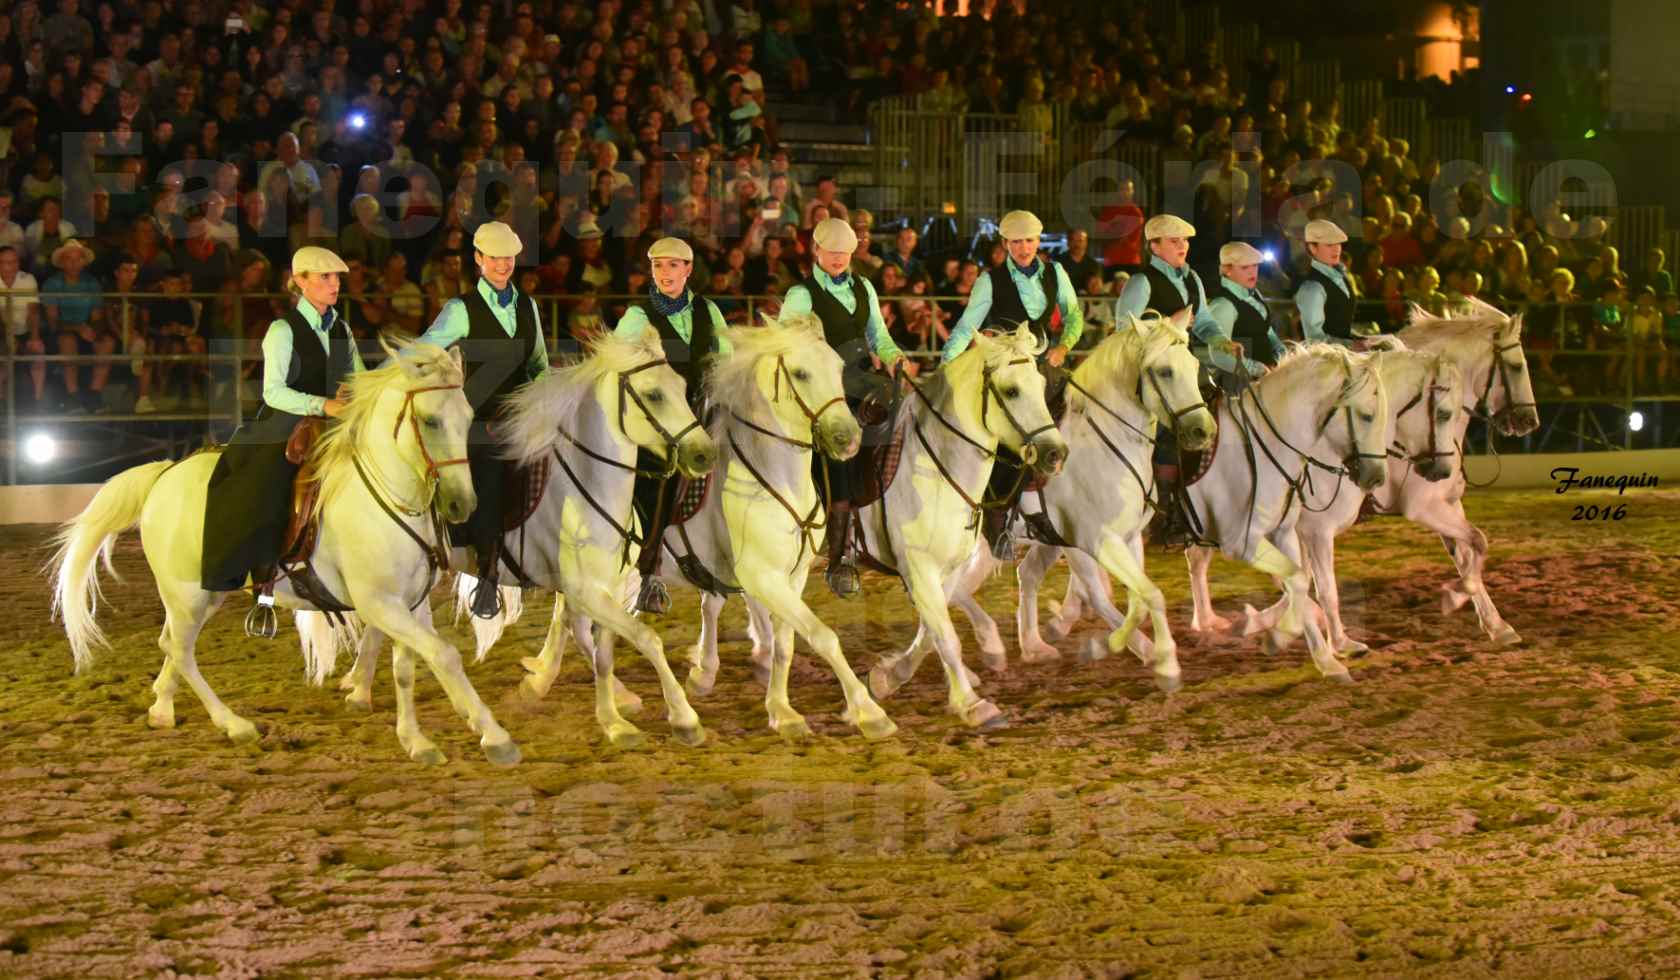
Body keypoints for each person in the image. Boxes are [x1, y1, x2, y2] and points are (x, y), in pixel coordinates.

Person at [201, 247, 364, 611]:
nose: (334, 283)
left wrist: (354, 391)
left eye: (336, 277)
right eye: (325, 277)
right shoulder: (282, 330)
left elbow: (358, 377)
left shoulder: (342, 329)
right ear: (301, 282)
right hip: (287, 422)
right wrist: (322, 404)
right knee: (266, 487)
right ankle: (263, 580)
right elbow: (273, 392)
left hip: (336, 423)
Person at [418, 221, 549, 619]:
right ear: (478, 260)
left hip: (524, 414)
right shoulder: (460, 310)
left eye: (508, 257)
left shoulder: (528, 306)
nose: (503, 264)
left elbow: (539, 363)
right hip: (480, 418)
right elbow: (423, 350)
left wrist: (548, 402)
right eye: (494, 257)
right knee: (489, 471)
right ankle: (489, 573)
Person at [942, 210, 1085, 559]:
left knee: (1077, 410)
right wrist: (945, 366)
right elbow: (965, 327)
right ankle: (1001, 513)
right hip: (1006, 367)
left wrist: (1064, 346)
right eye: (1017, 242)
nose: (1023, 248)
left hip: (1042, 365)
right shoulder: (990, 281)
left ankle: (1069, 498)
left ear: (1038, 242)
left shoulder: (1056, 272)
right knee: (1014, 433)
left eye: (1030, 241)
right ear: (1006, 244)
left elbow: (1074, 314)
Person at [778, 217, 906, 597]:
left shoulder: (864, 287)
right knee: (841, 454)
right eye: (832, 252)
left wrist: (895, 355)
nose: (838, 259)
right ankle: (839, 559)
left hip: (863, 378)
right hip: (823, 387)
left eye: (845, 253)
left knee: (906, 417)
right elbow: (788, 341)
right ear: (816, 251)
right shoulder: (801, 296)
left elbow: (877, 337)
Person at [611, 237, 732, 613]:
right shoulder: (638, 316)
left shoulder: (708, 311)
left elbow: (727, 359)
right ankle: (649, 575)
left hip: (702, 411)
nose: (665, 273)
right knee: (658, 476)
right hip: (658, 420)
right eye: (658, 266)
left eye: (673, 266)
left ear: (688, 270)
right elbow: (616, 365)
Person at [1113, 213, 1220, 547]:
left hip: (1182, 364)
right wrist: (1167, 326)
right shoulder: (1141, 282)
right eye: (1174, 241)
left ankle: (1197, 498)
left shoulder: (1192, 280)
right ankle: (1163, 509)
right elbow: (1123, 329)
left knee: (1210, 411)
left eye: (1184, 240)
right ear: (1154, 246)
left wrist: (1221, 340)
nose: (1182, 246)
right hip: (1150, 370)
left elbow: (1203, 322)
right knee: (1165, 431)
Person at [1202, 242, 1286, 390]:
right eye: (1245, 267)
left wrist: (1282, 352)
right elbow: (1219, 355)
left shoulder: (1254, 294)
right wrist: (1257, 369)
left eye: (1255, 266)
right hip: (1239, 386)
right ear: (1227, 270)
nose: (1252, 272)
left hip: (1268, 379)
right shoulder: (1223, 304)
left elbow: (1265, 329)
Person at [1294, 218, 1359, 345]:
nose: (1337, 249)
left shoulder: (1341, 276)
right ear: (1313, 248)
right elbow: (1314, 340)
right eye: (1329, 245)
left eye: (1338, 244)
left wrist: (1361, 339)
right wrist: (1351, 345)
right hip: (1323, 361)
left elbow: (1341, 328)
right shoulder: (1312, 287)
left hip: (1343, 355)